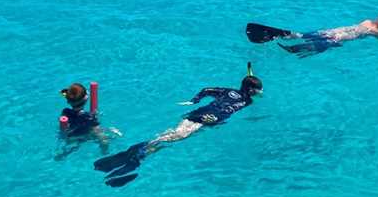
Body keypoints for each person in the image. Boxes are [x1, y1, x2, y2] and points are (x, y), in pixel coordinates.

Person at [92, 63, 263, 187]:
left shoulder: (227, 90)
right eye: (257, 90)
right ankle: (140, 152)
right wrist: (217, 122)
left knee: (173, 135)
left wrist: (194, 100)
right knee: (175, 137)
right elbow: (230, 109)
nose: (259, 92)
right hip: (208, 118)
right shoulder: (247, 101)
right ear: (250, 91)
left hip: (198, 112)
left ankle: (143, 149)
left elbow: (207, 90)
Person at [275, 5, 378, 57]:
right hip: (340, 38)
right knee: (320, 47)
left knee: (304, 35)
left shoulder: (366, 21)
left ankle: (286, 35)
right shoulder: (375, 32)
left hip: (335, 31)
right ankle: (293, 49)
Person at [56, 83, 119, 157]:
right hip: (84, 136)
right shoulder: (89, 117)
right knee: (105, 136)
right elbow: (97, 130)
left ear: (68, 101)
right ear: (86, 99)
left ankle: (64, 154)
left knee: (74, 146)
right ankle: (105, 152)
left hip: (70, 137)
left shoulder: (65, 112)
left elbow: (63, 93)